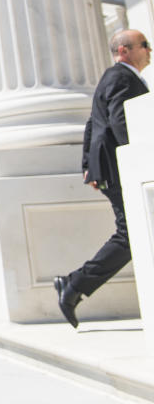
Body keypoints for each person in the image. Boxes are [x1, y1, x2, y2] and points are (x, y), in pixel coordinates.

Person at [54, 28, 151, 328]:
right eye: (144, 45)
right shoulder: (122, 77)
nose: (149, 50)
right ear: (124, 51)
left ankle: (73, 284)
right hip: (119, 167)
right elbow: (119, 120)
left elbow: (92, 122)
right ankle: (73, 286)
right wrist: (139, 158)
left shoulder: (116, 77)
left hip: (109, 166)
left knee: (133, 234)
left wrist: (88, 164)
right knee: (131, 235)